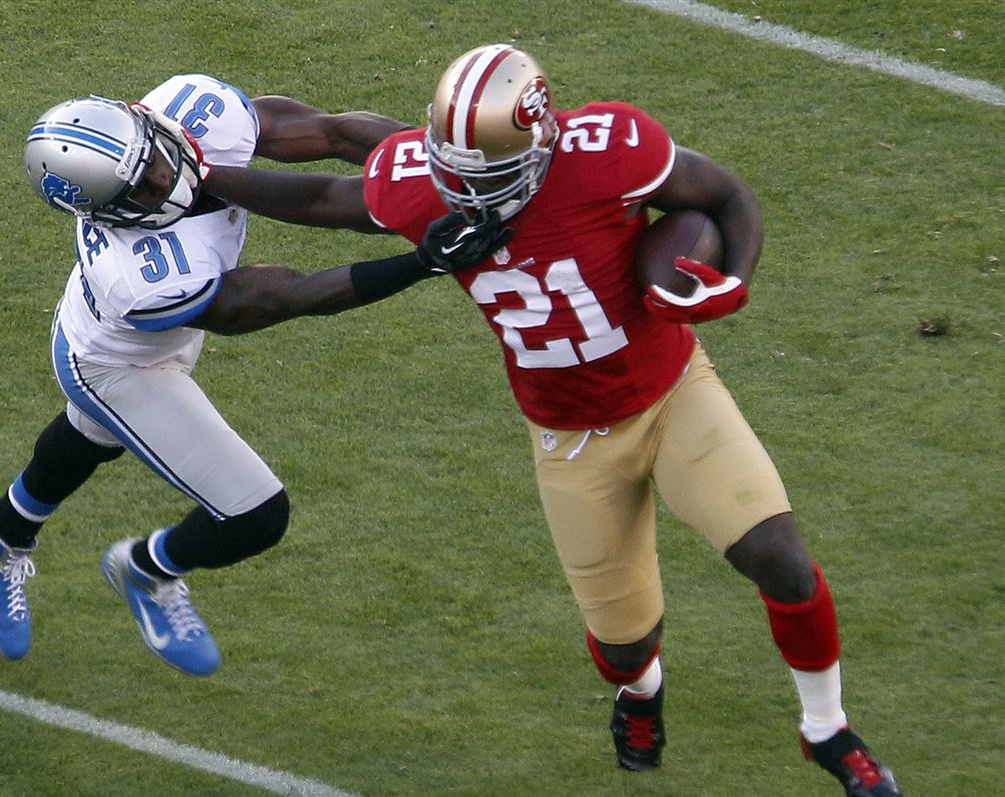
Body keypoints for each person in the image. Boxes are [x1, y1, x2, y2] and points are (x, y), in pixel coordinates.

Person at [200, 45, 902, 796]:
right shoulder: (426, 182)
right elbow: (317, 202)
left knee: (780, 556)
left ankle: (826, 728)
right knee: (623, 648)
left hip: (673, 393)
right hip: (568, 437)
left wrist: (733, 281)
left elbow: (727, 196)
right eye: (453, 170)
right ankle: (641, 690)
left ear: (541, 144)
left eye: (486, 178)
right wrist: (196, 179)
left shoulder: (611, 149)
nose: (464, 193)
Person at [0, 73, 510, 678]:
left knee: (91, 438)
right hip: (118, 362)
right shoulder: (142, 275)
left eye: (155, 159)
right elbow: (289, 296)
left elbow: (335, 133)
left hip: (155, 323)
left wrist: (448, 170)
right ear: (103, 210)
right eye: (139, 189)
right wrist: (420, 262)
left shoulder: (188, 112)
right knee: (254, 513)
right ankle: (149, 568)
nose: (163, 179)